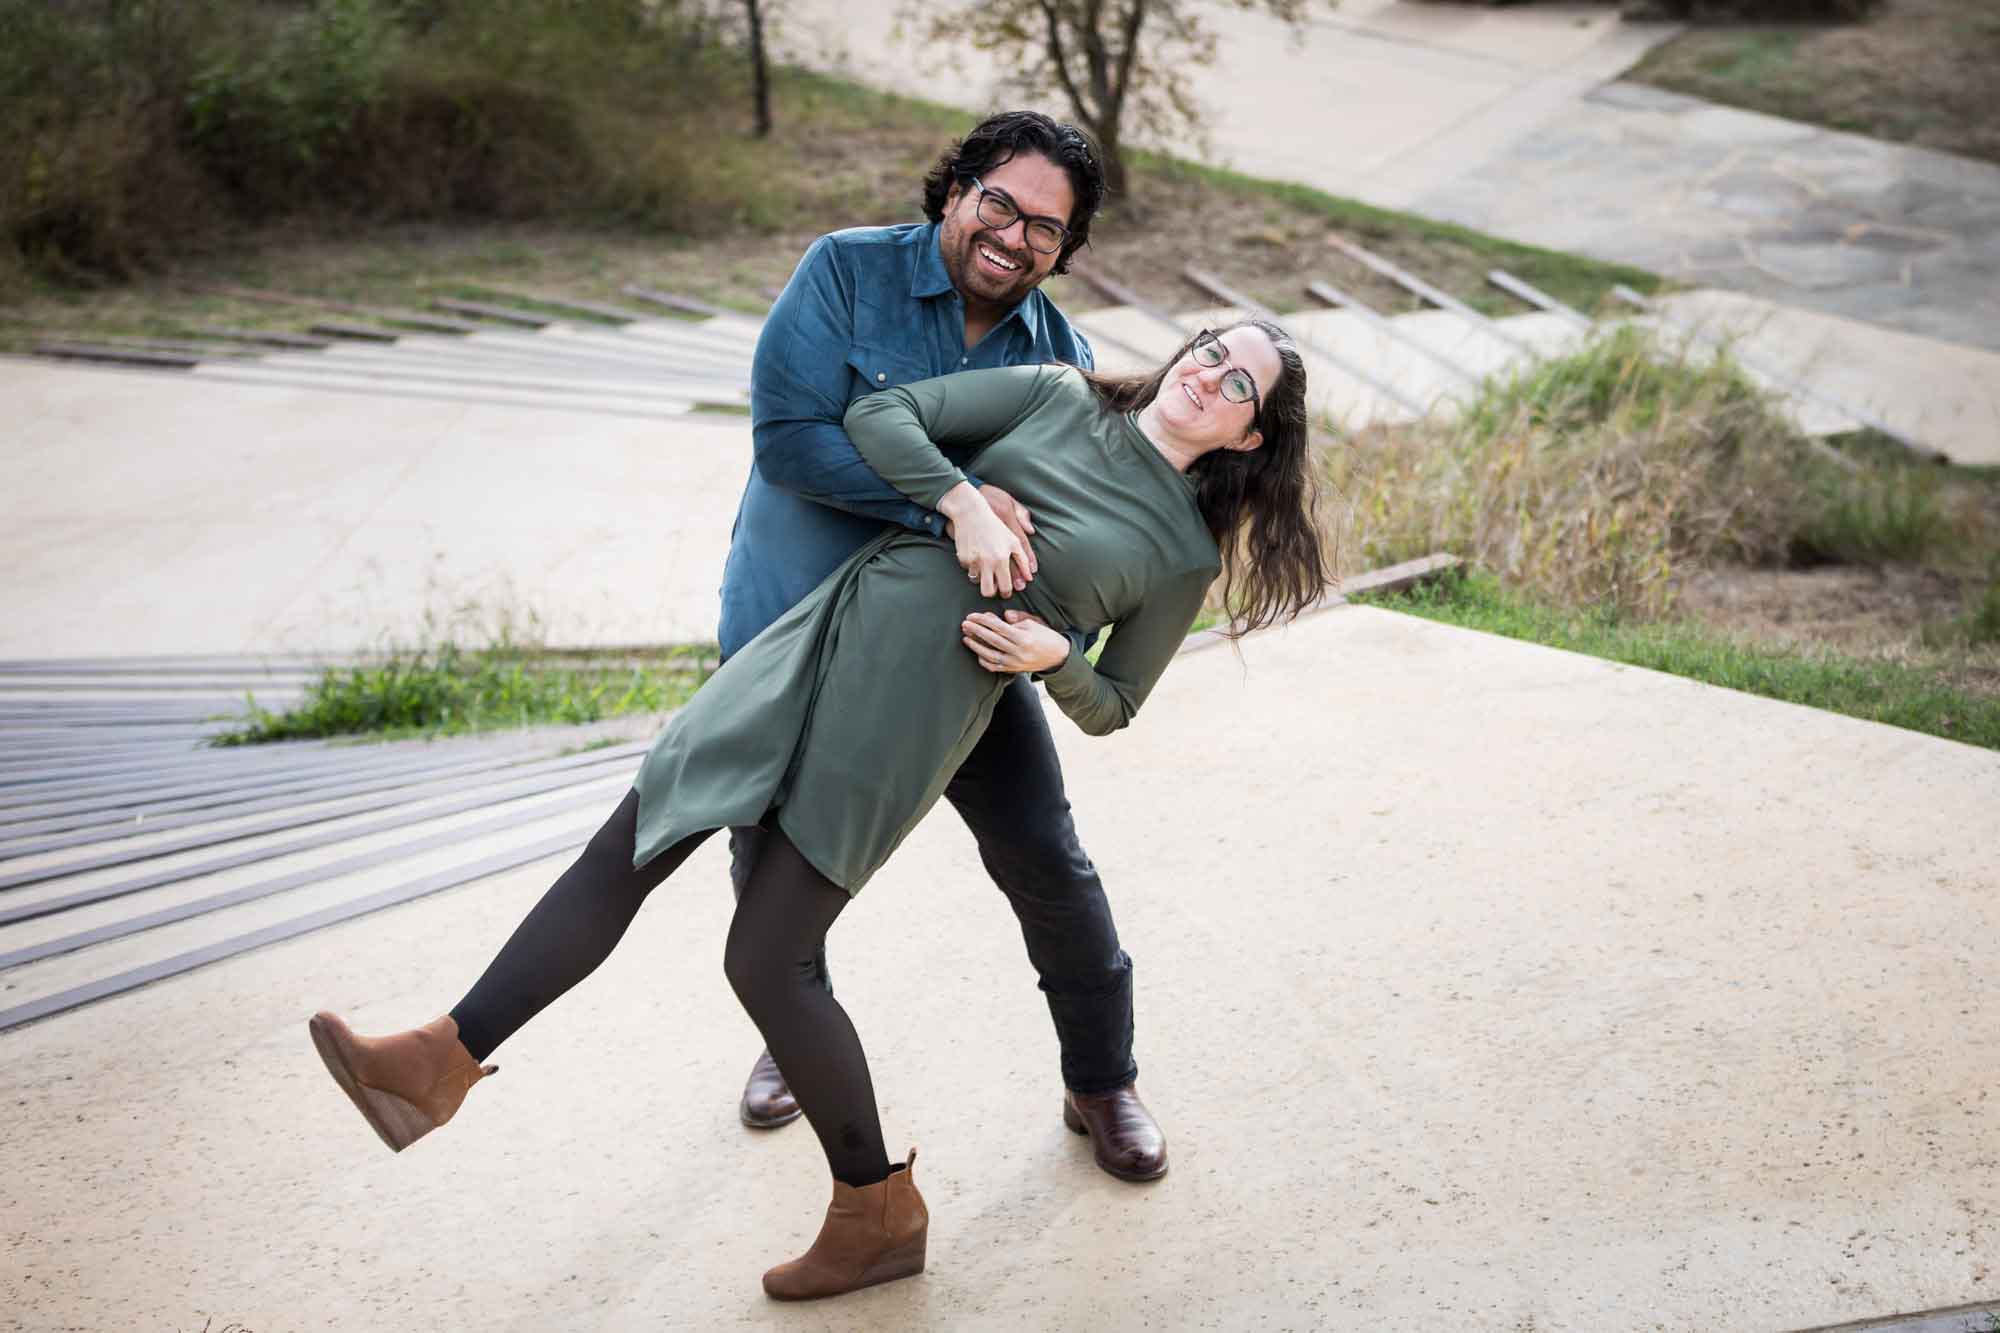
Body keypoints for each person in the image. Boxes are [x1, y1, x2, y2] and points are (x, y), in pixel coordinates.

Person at [308, 319, 1328, 1302]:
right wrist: (963, 497)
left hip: (914, 703)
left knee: (765, 954)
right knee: (642, 826)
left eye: (1240, 383)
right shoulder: (1052, 392)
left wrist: (1056, 658)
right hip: (824, 631)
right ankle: (436, 1061)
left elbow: (1116, 704)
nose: (1208, 374)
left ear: (1246, 435)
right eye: (1208, 349)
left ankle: (876, 1209)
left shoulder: (1179, 549)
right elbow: (883, 415)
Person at [722, 109, 1176, 1185]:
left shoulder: (1061, 357)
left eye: (1046, 229)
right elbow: (789, 440)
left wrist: (1058, 630)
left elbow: (1060, 530)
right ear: (956, 188)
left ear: (1066, 250)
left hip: (957, 648)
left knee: (1044, 856)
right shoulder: (843, 272)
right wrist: (953, 505)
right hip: (794, 621)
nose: (1014, 237)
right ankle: (791, 1030)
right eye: (999, 203)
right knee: (770, 850)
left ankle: (1101, 1078)